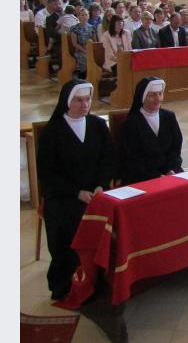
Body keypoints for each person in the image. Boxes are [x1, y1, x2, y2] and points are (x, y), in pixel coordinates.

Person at [36, 80, 115, 300]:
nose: (85, 104)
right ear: (67, 101)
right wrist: (76, 192)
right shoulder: (52, 132)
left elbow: (108, 159)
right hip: (64, 196)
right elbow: (47, 174)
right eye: (78, 100)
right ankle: (67, 283)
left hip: (96, 193)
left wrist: (101, 185)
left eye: (88, 99)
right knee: (68, 224)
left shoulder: (98, 125)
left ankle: (100, 279)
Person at [119, 78, 184, 184]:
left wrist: (172, 169)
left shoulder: (169, 117)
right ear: (142, 97)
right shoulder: (130, 124)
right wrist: (157, 176)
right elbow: (132, 159)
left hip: (170, 173)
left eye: (160, 94)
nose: (158, 98)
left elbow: (176, 149)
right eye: (152, 95)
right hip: (142, 176)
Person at [70, 7, 97, 79]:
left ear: (89, 16)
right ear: (78, 16)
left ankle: (94, 77)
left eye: (86, 15)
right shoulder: (74, 28)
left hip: (90, 49)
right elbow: (74, 43)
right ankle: (83, 77)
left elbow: (95, 41)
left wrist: (92, 49)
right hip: (80, 50)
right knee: (85, 58)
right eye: (82, 15)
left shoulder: (92, 27)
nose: (85, 17)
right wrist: (84, 50)